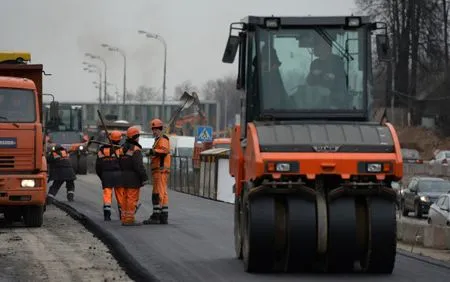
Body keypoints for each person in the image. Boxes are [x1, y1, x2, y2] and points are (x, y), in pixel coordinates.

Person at [306, 37, 349, 107]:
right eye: (315, 46)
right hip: (317, 99)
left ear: (327, 47)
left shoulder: (337, 61)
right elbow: (309, 82)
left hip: (334, 100)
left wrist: (333, 77)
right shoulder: (314, 63)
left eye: (318, 45)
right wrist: (312, 74)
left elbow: (343, 80)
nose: (315, 48)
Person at [143, 118, 171, 225]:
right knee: (162, 193)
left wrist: (152, 151)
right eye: (153, 129)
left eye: (155, 129)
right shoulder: (159, 140)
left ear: (159, 129)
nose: (153, 131)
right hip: (159, 170)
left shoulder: (163, 139)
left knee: (158, 193)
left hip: (161, 169)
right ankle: (163, 216)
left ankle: (157, 216)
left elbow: (164, 151)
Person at [119, 126, 148, 226]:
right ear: (135, 137)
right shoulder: (136, 149)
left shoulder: (122, 148)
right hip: (133, 178)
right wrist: (144, 177)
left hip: (124, 176)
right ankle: (130, 219)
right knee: (132, 198)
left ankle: (124, 217)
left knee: (125, 198)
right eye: (138, 136)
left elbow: (120, 162)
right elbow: (138, 165)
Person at [95, 130, 124, 221]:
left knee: (107, 195)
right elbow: (125, 163)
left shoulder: (102, 149)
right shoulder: (121, 149)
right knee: (120, 195)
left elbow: (98, 165)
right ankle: (122, 215)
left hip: (106, 174)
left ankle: (107, 215)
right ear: (119, 140)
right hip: (119, 174)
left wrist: (102, 176)